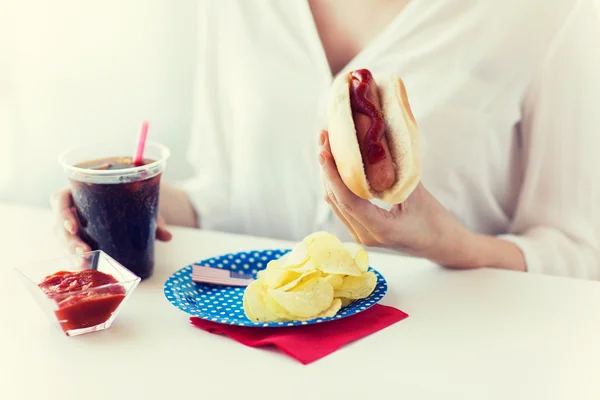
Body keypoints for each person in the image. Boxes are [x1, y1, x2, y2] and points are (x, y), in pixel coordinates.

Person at [51, 0, 600, 279]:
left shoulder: (549, 13)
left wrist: (445, 242)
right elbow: (229, 194)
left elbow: (579, 252)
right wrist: (129, 199)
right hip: (251, 361)